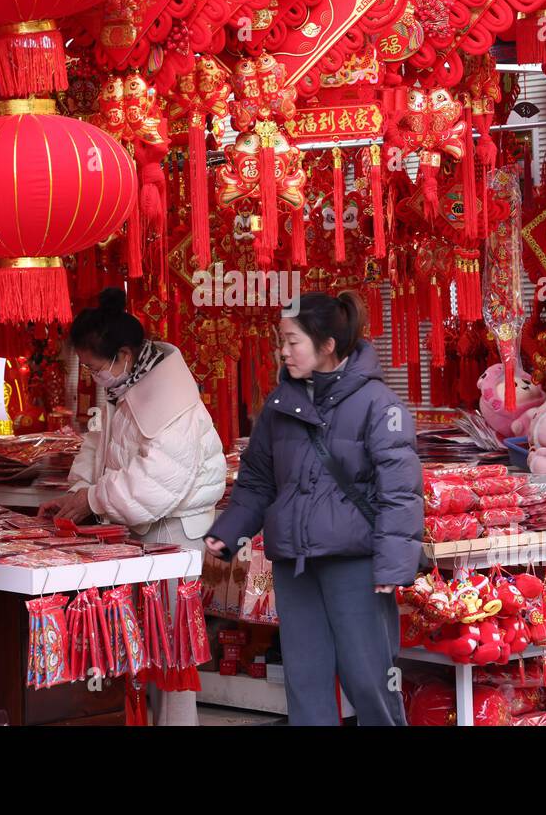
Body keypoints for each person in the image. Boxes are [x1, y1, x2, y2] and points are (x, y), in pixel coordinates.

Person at [205, 291, 423, 726]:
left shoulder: (380, 405)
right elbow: (258, 481)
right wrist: (229, 530)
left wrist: (393, 566)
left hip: (354, 564)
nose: (283, 352)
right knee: (305, 681)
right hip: (295, 565)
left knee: (370, 680)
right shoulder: (279, 405)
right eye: (281, 341)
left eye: (293, 341)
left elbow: (401, 492)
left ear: (326, 345)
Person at [45, 287, 227, 726]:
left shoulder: (171, 397)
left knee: (170, 648)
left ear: (123, 355)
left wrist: (89, 500)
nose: (92, 377)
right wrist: (79, 492)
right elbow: (98, 444)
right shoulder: (123, 384)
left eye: (93, 366)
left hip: (174, 531)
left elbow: (153, 485)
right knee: (136, 643)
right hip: (140, 529)